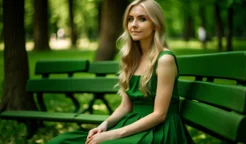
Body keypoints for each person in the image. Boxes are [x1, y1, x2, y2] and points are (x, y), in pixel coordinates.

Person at [47, 0, 194, 143]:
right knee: (63, 140)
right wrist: (104, 125)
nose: (134, 25)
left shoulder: (164, 60)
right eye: (130, 19)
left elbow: (159, 115)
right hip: (132, 123)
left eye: (142, 19)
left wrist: (113, 135)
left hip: (160, 130)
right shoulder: (132, 59)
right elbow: (125, 106)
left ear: (155, 25)